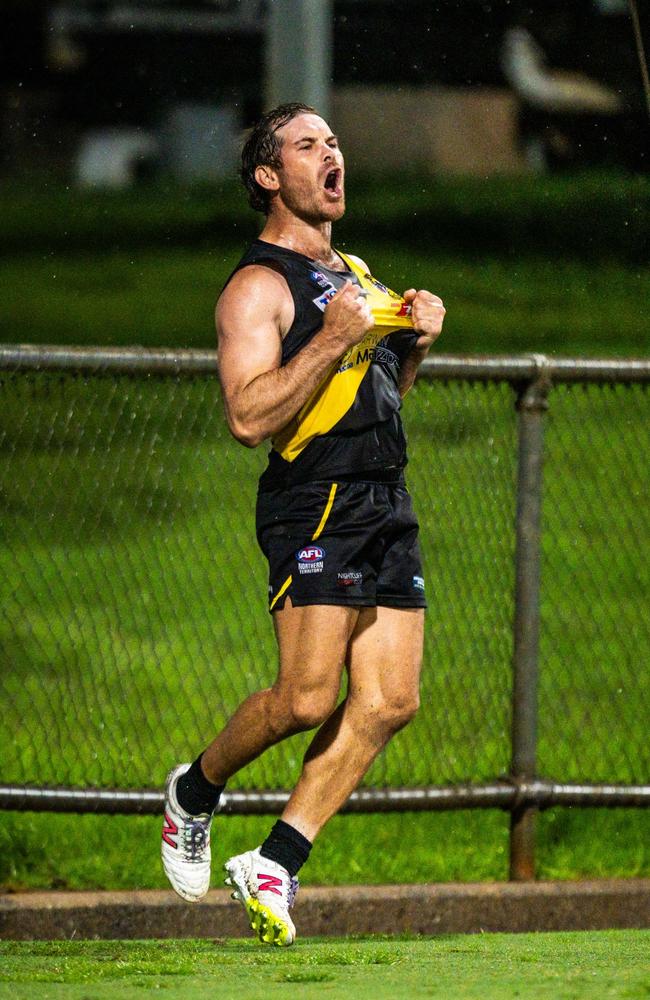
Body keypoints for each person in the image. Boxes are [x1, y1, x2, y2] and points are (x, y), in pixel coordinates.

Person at [161, 102, 445, 947]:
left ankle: (277, 861)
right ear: (269, 175)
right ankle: (195, 792)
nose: (333, 154)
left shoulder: (353, 271)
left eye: (335, 142)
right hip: (313, 500)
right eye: (308, 144)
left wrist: (414, 345)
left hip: (383, 499)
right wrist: (330, 340)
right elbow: (250, 418)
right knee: (307, 696)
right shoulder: (257, 286)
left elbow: (371, 398)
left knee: (391, 700)